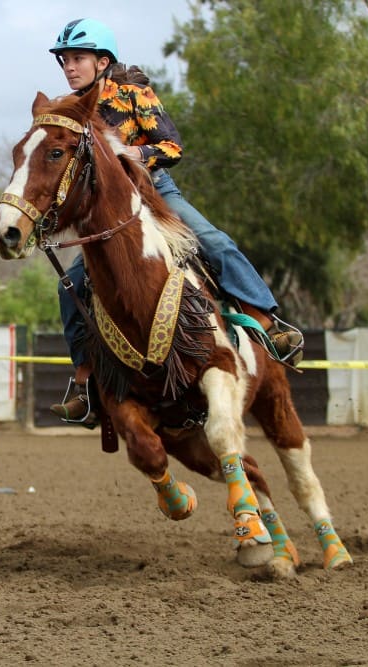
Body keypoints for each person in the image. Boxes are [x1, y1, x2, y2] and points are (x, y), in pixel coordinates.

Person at [45, 18, 303, 425]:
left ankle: (268, 323)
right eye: (65, 61)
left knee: (213, 241)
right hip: (111, 210)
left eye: (78, 58)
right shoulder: (70, 110)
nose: (69, 67)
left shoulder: (133, 92)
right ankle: (85, 381)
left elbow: (171, 145)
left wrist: (135, 158)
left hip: (156, 192)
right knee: (71, 286)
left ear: (102, 61)